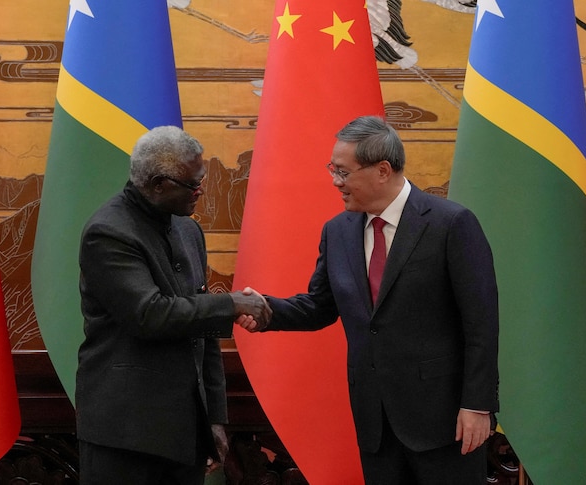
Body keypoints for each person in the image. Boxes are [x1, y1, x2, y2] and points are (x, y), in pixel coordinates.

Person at [239, 116, 499, 484]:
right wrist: (265, 310)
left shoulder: (450, 224)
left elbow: (481, 324)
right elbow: (319, 306)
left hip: (446, 422)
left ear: (382, 170)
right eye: (333, 170)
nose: (335, 181)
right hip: (375, 423)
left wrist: (478, 405)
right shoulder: (337, 232)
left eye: (343, 172)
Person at [76, 125, 271, 485]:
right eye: (193, 184)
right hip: (127, 437)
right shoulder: (108, 232)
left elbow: (203, 332)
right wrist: (230, 303)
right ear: (158, 184)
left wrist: (213, 417)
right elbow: (149, 315)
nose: (201, 191)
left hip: (184, 435)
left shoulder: (187, 229)